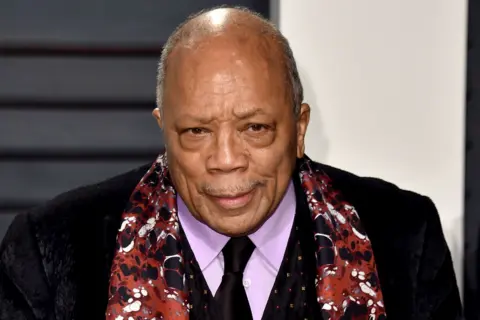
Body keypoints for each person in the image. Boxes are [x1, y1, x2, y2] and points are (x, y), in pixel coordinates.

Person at [0, 6, 461, 320]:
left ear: (299, 128)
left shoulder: (404, 236)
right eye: (197, 131)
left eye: (255, 128)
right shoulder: (49, 251)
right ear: (164, 128)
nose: (225, 161)